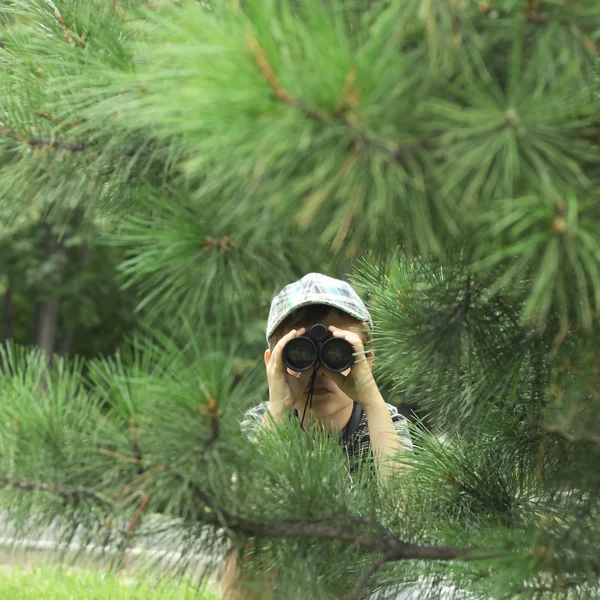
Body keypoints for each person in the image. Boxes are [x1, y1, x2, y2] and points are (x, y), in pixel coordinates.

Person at [221, 273, 413, 599]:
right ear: (273, 362)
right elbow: (245, 519)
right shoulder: (263, 423)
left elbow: (409, 520)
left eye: (337, 352)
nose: (319, 370)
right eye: (300, 352)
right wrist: (279, 407)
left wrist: (372, 399)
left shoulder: (383, 423)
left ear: (366, 358)